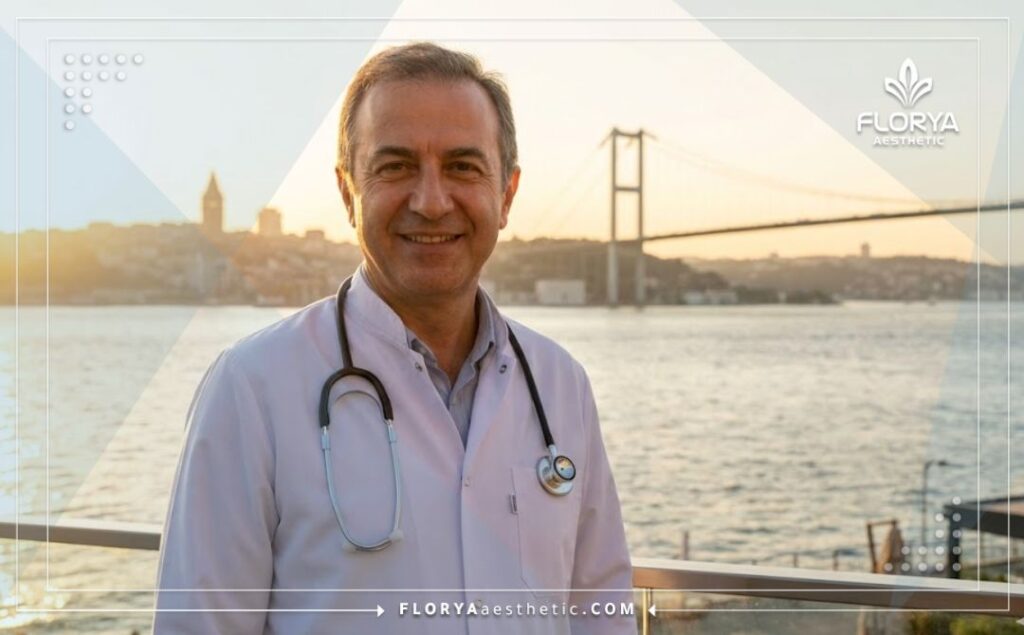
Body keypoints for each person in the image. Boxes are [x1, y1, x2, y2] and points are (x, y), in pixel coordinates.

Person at [153, 42, 636, 634]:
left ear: (506, 195)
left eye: (462, 166)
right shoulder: (251, 387)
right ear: (347, 192)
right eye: (395, 166)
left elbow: (600, 609)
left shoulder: (560, 383)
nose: (431, 202)